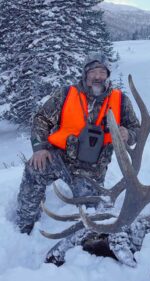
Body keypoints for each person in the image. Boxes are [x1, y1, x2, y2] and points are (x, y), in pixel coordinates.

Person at [15, 52, 140, 235]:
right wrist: (40, 148)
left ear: (107, 75)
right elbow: (41, 119)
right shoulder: (66, 94)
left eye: (102, 72)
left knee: (90, 214)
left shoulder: (120, 101)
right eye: (93, 72)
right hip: (60, 157)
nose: (98, 76)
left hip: (92, 170)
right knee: (35, 168)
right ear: (85, 73)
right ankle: (25, 224)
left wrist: (128, 134)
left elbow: (136, 129)